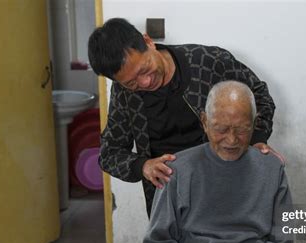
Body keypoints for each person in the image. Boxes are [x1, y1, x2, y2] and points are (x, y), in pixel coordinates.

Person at [88, 18, 283, 217]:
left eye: (144, 70)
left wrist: (258, 139)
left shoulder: (207, 61)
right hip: (169, 199)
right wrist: (143, 166)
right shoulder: (124, 94)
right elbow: (109, 153)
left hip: (226, 184)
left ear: (148, 42)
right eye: (132, 83)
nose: (145, 82)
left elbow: (259, 96)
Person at [143, 81, 293, 243]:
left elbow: (282, 239)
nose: (232, 140)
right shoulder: (177, 170)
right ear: (204, 121)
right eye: (221, 129)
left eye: (242, 129)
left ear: (255, 124)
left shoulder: (271, 170)